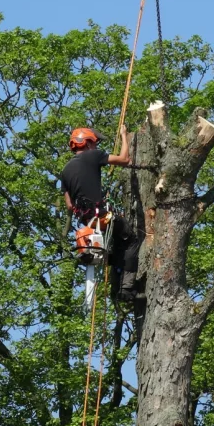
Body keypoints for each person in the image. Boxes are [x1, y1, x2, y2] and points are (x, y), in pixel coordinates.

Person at [60, 125, 141, 301]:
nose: (96, 147)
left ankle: (117, 289)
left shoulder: (65, 171)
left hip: (87, 220)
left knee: (117, 247)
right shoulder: (93, 155)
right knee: (131, 239)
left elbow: (68, 205)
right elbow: (124, 159)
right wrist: (124, 136)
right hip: (100, 216)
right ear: (88, 143)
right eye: (95, 144)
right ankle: (127, 288)